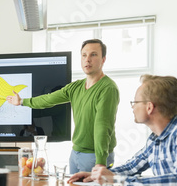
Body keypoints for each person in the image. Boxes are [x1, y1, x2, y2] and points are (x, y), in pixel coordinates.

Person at [69, 75, 177, 186]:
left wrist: (116, 180)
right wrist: (96, 175)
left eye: (135, 102)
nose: (133, 107)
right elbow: (132, 167)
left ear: (149, 107)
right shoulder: (156, 138)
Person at [6, 39, 119, 173]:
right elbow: (48, 99)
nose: (87, 59)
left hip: (95, 157)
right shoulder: (76, 87)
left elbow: (103, 126)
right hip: (76, 153)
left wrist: (100, 162)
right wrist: (23, 101)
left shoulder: (108, 88)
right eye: (84, 55)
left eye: (93, 55)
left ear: (103, 59)